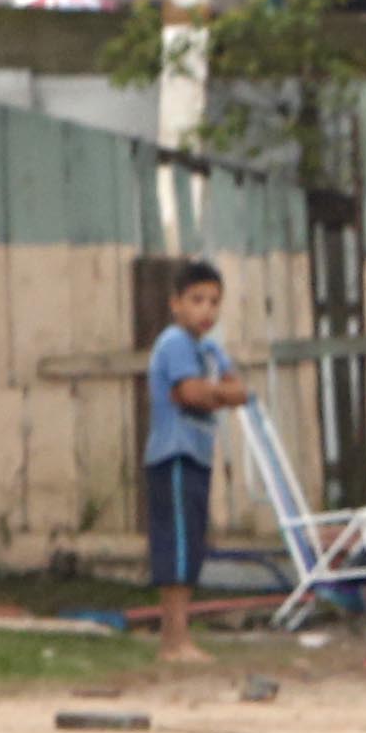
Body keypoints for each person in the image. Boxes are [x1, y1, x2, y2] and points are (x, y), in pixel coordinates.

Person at [145, 262, 252, 663]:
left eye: (214, 302)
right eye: (197, 300)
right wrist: (216, 392)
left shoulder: (209, 348)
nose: (206, 310)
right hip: (173, 455)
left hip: (199, 455)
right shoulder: (174, 342)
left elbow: (238, 389)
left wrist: (217, 393)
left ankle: (180, 637)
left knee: (192, 546)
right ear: (176, 304)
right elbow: (190, 393)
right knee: (176, 547)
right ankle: (173, 640)